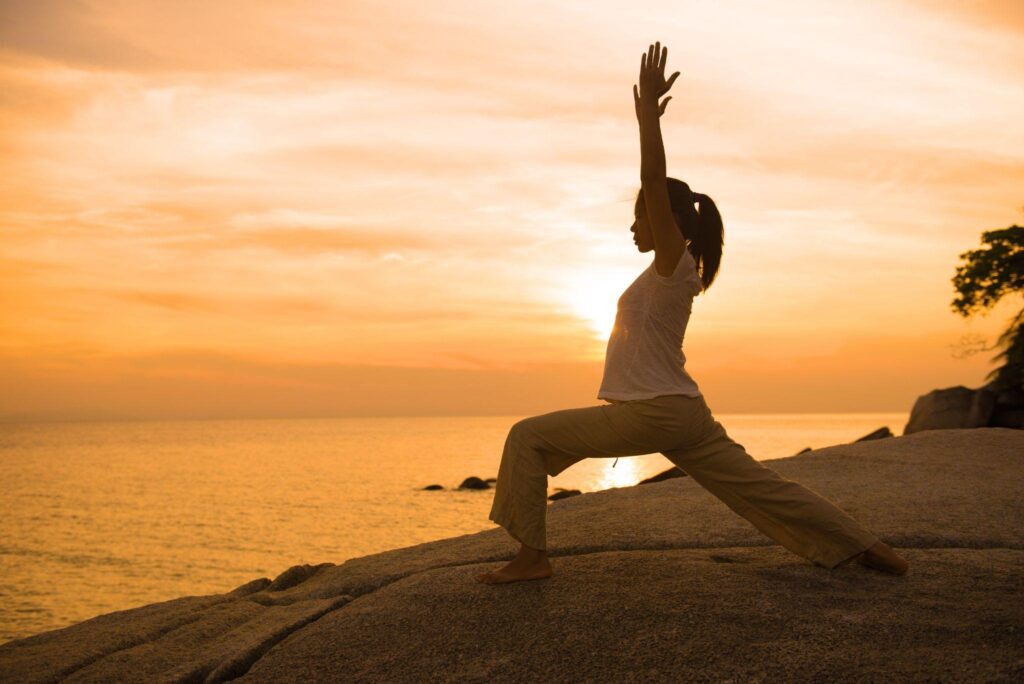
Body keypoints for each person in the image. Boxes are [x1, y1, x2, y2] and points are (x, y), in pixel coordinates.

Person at [476, 42, 908, 585]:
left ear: (665, 222)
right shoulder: (676, 273)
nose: (633, 228)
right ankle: (867, 548)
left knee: (526, 436)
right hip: (683, 411)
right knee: (761, 486)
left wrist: (646, 120)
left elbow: (655, 181)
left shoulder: (673, 261)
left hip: (652, 411)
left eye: (639, 218)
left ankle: (532, 558)